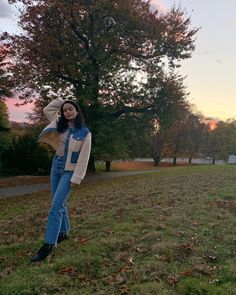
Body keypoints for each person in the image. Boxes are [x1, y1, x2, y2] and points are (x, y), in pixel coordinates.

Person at [30, 97, 91, 262]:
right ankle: (63, 233)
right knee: (57, 203)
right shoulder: (58, 123)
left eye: (71, 108)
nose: (67, 111)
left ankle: (48, 245)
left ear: (77, 111)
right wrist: (62, 101)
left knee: (55, 207)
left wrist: (77, 177)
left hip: (69, 172)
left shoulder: (85, 132)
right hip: (55, 167)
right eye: (65, 110)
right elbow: (47, 110)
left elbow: (84, 158)